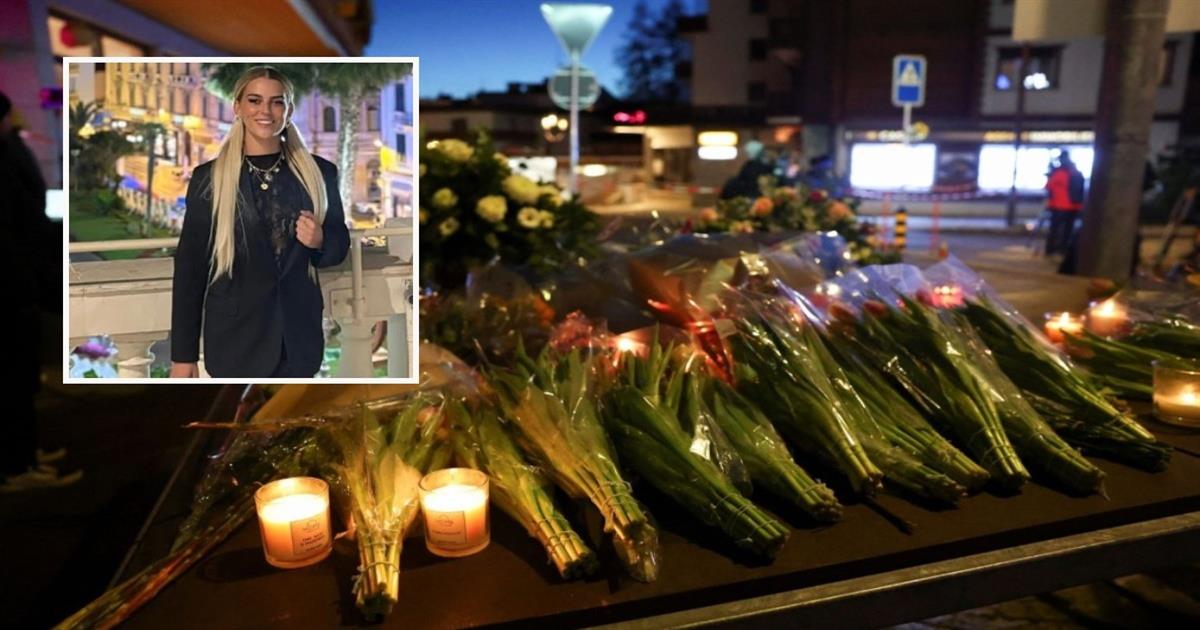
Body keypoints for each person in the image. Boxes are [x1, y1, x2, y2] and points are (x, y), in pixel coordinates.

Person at [170, 67, 350, 378]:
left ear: (288, 110)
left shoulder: (320, 173)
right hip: (234, 343)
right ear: (237, 107)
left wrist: (320, 240)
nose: (265, 111)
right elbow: (190, 269)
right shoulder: (208, 179)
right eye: (254, 100)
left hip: (298, 343)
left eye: (276, 102)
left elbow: (339, 243)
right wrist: (183, 357)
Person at [0, 91, 81, 492]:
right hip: (12, 291)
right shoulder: (6, 156)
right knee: (13, 380)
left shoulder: (11, 150)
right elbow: (19, 226)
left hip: (19, 286)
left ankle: (25, 454)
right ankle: (17, 466)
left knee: (21, 378)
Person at [1044, 150, 1084, 256]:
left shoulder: (1058, 173)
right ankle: (1063, 250)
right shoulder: (1075, 172)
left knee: (1054, 229)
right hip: (1073, 206)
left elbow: (1049, 187)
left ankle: (1050, 250)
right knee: (1068, 230)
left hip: (1057, 206)